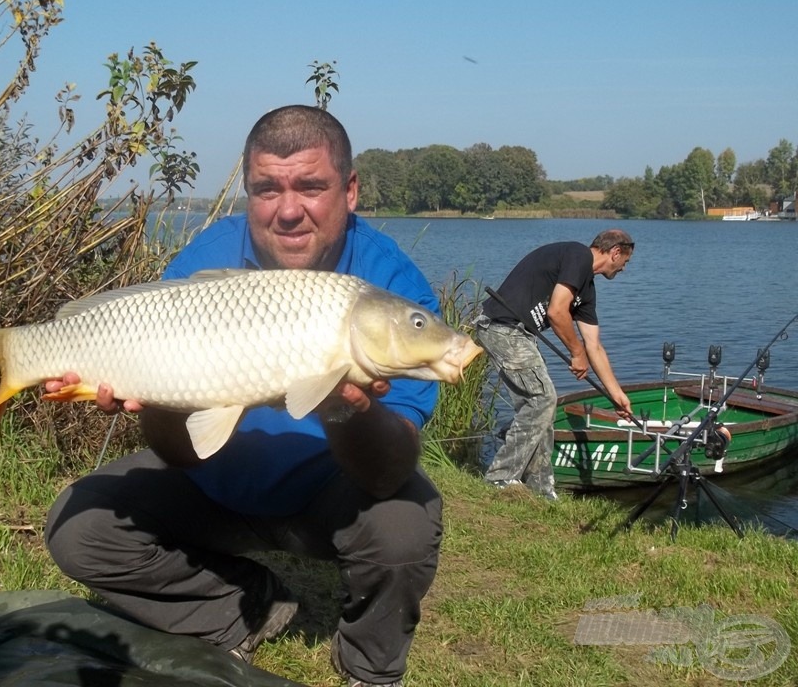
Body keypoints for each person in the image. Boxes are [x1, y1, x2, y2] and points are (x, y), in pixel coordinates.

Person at [44, 105, 444, 687]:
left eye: (311, 186)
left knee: (406, 525)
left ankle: (368, 667)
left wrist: (343, 405)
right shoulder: (205, 262)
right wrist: (157, 402)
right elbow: (180, 451)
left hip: (330, 494)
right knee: (77, 527)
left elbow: (388, 470)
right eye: (266, 190)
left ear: (350, 190)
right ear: (247, 191)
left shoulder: (391, 294)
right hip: (212, 482)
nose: (288, 211)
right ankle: (241, 607)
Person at [474, 229, 635, 500]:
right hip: (502, 327)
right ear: (615, 252)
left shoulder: (587, 289)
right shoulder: (577, 255)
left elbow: (594, 345)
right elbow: (557, 311)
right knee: (542, 399)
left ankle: (541, 488)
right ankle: (500, 477)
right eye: (625, 262)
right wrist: (576, 352)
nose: (624, 269)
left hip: (519, 334)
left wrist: (616, 394)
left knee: (542, 407)